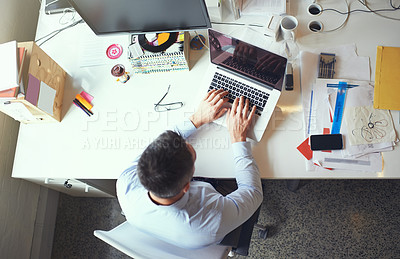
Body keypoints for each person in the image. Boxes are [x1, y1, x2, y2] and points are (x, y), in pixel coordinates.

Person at [116, 89, 263, 250]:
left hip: (158, 231)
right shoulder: (212, 220)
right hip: (204, 234)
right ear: (188, 185)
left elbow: (161, 143)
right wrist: (238, 138)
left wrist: (197, 118)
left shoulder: (126, 182)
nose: (187, 143)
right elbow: (253, 191)